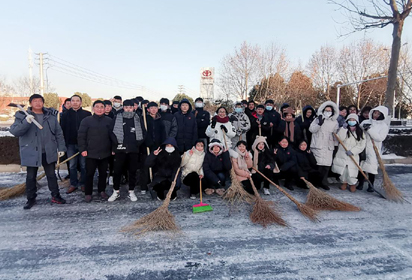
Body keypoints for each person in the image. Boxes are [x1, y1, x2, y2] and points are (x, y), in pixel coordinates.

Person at [10, 94, 67, 209]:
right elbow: (15, 131)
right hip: (31, 151)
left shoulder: (50, 116)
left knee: (51, 175)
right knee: (31, 176)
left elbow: (58, 133)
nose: (37, 103)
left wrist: (61, 148)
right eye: (35, 101)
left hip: (48, 151)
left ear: (43, 102)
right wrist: (26, 121)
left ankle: (55, 195)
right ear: (31, 103)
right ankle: (31, 198)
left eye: (40, 101)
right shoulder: (22, 116)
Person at [108, 100, 146, 202]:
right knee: (117, 171)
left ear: (133, 108)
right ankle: (116, 191)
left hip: (133, 149)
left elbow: (143, 132)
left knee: (132, 171)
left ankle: (131, 191)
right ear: (123, 108)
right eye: (126, 107)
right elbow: (111, 132)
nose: (128, 109)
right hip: (120, 149)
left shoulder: (138, 118)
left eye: (130, 107)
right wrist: (116, 143)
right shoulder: (117, 117)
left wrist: (137, 144)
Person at [77, 100, 114, 202]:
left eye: (101, 107)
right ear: (93, 108)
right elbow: (81, 136)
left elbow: (113, 136)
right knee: (89, 174)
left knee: (103, 173)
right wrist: (83, 149)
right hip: (90, 152)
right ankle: (88, 193)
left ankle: (101, 190)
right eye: (97, 107)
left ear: (105, 108)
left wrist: (113, 149)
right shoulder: (86, 121)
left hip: (105, 152)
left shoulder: (109, 121)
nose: (99, 109)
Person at [61, 94, 91, 194]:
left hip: (83, 144)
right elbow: (62, 130)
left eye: (77, 101)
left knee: (83, 165)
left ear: (80, 102)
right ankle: (73, 184)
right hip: (70, 144)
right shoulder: (65, 115)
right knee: (72, 165)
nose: (75, 102)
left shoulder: (87, 114)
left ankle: (83, 183)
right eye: (73, 101)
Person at [309, 101, 339, 190]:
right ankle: (315, 183)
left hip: (329, 145)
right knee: (318, 166)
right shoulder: (318, 119)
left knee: (326, 166)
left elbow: (336, 134)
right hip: (318, 144)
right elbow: (311, 129)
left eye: (329, 110)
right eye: (326, 110)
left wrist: (335, 144)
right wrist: (319, 124)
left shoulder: (334, 121)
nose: (328, 112)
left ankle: (323, 182)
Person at [358, 106, 390, 191]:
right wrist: (363, 127)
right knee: (361, 166)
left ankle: (370, 185)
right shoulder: (367, 121)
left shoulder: (383, 126)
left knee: (372, 167)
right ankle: (360, 183)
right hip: (364, 146)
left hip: (374, 148)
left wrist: (369, 129)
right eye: (375, 113)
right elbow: (360, 130)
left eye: (378, 114)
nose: (376, 115)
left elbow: (380, 138)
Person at [332, 114, 366, 192]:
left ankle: (352, 183)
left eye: (353, 120)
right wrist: (343, 129)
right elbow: (340, 138)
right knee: (344, 169)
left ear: (356, 122)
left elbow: (361, 144)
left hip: (353, 155)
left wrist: (353, 151)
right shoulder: (343, 129)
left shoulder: (360, 132)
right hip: (343, 152)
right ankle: (344, 182)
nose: (352, 121)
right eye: (350, 120)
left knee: (352, 169)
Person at [140, 102, 166, 193]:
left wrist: (162, 143)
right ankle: (144, 185)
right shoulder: (144, 119)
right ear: (148, 109)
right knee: (146, 165)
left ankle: (154, 183)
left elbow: (163, 133)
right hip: (147, 146)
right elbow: (142, 132)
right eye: (151, 108)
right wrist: (146, 141)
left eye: (155, 108)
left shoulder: (160, 119)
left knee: (156, 165)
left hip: (157, 146)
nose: (154, 109)